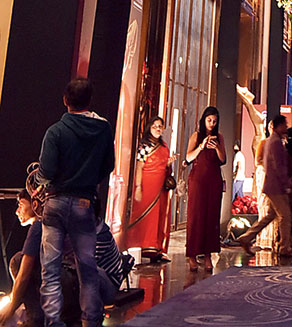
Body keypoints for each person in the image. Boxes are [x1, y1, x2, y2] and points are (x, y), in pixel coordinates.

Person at [37, 77, 115, 327]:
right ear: (90, 100)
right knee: (87, 268)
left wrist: (38, 177)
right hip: (84, 203)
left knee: (50, 269)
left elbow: (46, 172)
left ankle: (53, 322)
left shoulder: (55, 131)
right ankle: (90, 320)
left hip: (55, 204)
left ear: (65, 100)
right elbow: (108, 165)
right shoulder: (103, 129)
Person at [1, 189, 122, 327]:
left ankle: (39, 319)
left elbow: (24, 274)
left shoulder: (44, 223)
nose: (17, 211)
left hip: (99, 289)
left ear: (35, 205)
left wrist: (11, 308)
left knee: (20, 262)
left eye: (21, 205)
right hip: (98, 286)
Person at [237, 114, 292, 257]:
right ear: (277, 126)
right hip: (276, 186)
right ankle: (284, 247)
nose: (286, 127)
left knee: (270, 215)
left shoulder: (271, 141)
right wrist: (286, 183)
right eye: (284, 124)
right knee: (285, 216)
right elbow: (278, 165)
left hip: (272, 185)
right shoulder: (275, 142)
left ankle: (246, 237)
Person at [127, 115, 174, 263]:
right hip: (147, 187)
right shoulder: (144, 145)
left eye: (160, 126)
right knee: (144, 217)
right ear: (149, 128)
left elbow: (162, 165)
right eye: (155, 126)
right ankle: (139, 247)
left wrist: (168, 163)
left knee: (159, 218)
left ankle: (157, 249)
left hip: (161, 189)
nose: (158, 129)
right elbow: (139, 166)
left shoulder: (164, 145)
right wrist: (138, 187)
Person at [185, 105, 226, 271]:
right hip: (198, 180)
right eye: (209, 120)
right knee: (196, 216)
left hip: (214, 180)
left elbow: (223, 159)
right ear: (204, 120)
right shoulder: (196, 136)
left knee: (211, 217)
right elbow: (188, 157)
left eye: (214, 121)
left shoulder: (220, 137)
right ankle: (192, 255)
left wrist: (216, 146)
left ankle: (208, 254)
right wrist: (201, 146)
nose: (212, 124)